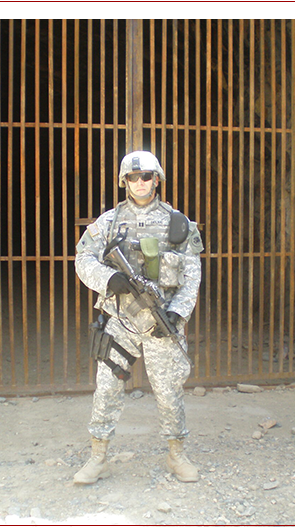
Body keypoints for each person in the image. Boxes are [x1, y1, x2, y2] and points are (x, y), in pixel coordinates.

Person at [74, 150, 204, 484]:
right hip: (120, 319)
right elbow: (83, 259)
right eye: (133, 177)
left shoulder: (178, 222)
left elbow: (192, 273)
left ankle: (177, 455)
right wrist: (108, 280)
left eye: (146, 176)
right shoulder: (108, 222)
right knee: (106, 388)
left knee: (168, 389)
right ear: (124, 182)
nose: (141, 182)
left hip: (161, 321)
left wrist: (177, 313)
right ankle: (98, 456)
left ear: (157, 179)